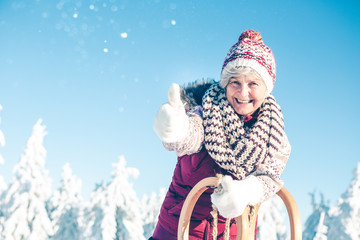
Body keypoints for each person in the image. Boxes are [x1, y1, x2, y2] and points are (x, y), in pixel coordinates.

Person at [150, 30, 291, 240]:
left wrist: (246, 191)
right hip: (178, 230)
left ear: (266, 88)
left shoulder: (275, 137)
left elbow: (269, 178)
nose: (243, 93)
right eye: (235, 82)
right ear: (225, 83)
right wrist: (176, 127)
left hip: (233, 234)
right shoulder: (206, 111)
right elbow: (191, 136)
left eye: (253, 83)